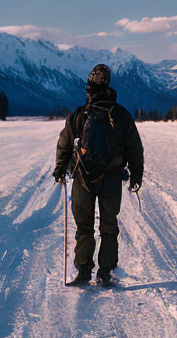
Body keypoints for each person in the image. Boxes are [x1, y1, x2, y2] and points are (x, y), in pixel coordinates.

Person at [53, 64, 144, 287]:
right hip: (111, 178)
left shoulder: (78, 115)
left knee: (84, 227)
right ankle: (105, 273)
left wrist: (60, 169)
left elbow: (64, 144)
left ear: (89, 89)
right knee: (108, 227)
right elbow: (134, 148)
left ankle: (83, 270)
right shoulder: (121, 115)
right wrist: (136, 175)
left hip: (83, 178)